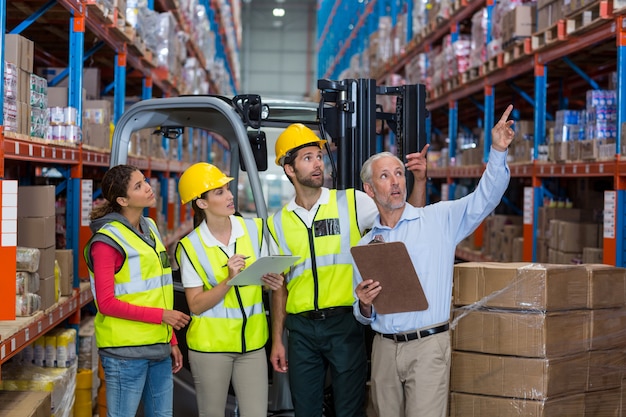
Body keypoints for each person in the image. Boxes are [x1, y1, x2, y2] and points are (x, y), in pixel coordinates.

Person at [352, 105, 515, 417]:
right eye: (385, 176)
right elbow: (362, 314)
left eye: (399, 173)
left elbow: (486, 197)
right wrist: (364, 303)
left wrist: (497, 151)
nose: (396, 181)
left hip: (428, 346)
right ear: (370, 189)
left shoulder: (439, 219)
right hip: (384, 348)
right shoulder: (366, 244)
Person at [267, 123, 429, 417]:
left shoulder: (352, 203)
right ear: (289, 169)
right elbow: (280, 286)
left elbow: (406, 220)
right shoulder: (278, 221)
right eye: (307, 158)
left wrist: (419, 181)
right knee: (305, 411)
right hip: (300, 329)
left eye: (318, 156)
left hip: (344, 324)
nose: (318, 163)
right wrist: (278, 339)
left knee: (349, 410)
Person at [175, 162, 284, 417]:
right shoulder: (190, 247)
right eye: (220, 192)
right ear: (201, 203)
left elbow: (269, 275)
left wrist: (272, 281)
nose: (230, 195)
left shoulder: (255, 230)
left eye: (228, 189)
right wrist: (228, 280)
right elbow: (196, 305)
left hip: (253, 346)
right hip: (211, 349)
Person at [83, 164, 191, 417]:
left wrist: (171, 340)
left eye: (145, 181)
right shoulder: (106, 242)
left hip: (159, 348)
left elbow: (159, 290)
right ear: (122, 200)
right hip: (125, 354)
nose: (148, 188)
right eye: (139, 186)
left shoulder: (150, 227)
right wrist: (162, 317)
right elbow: (106, 303)